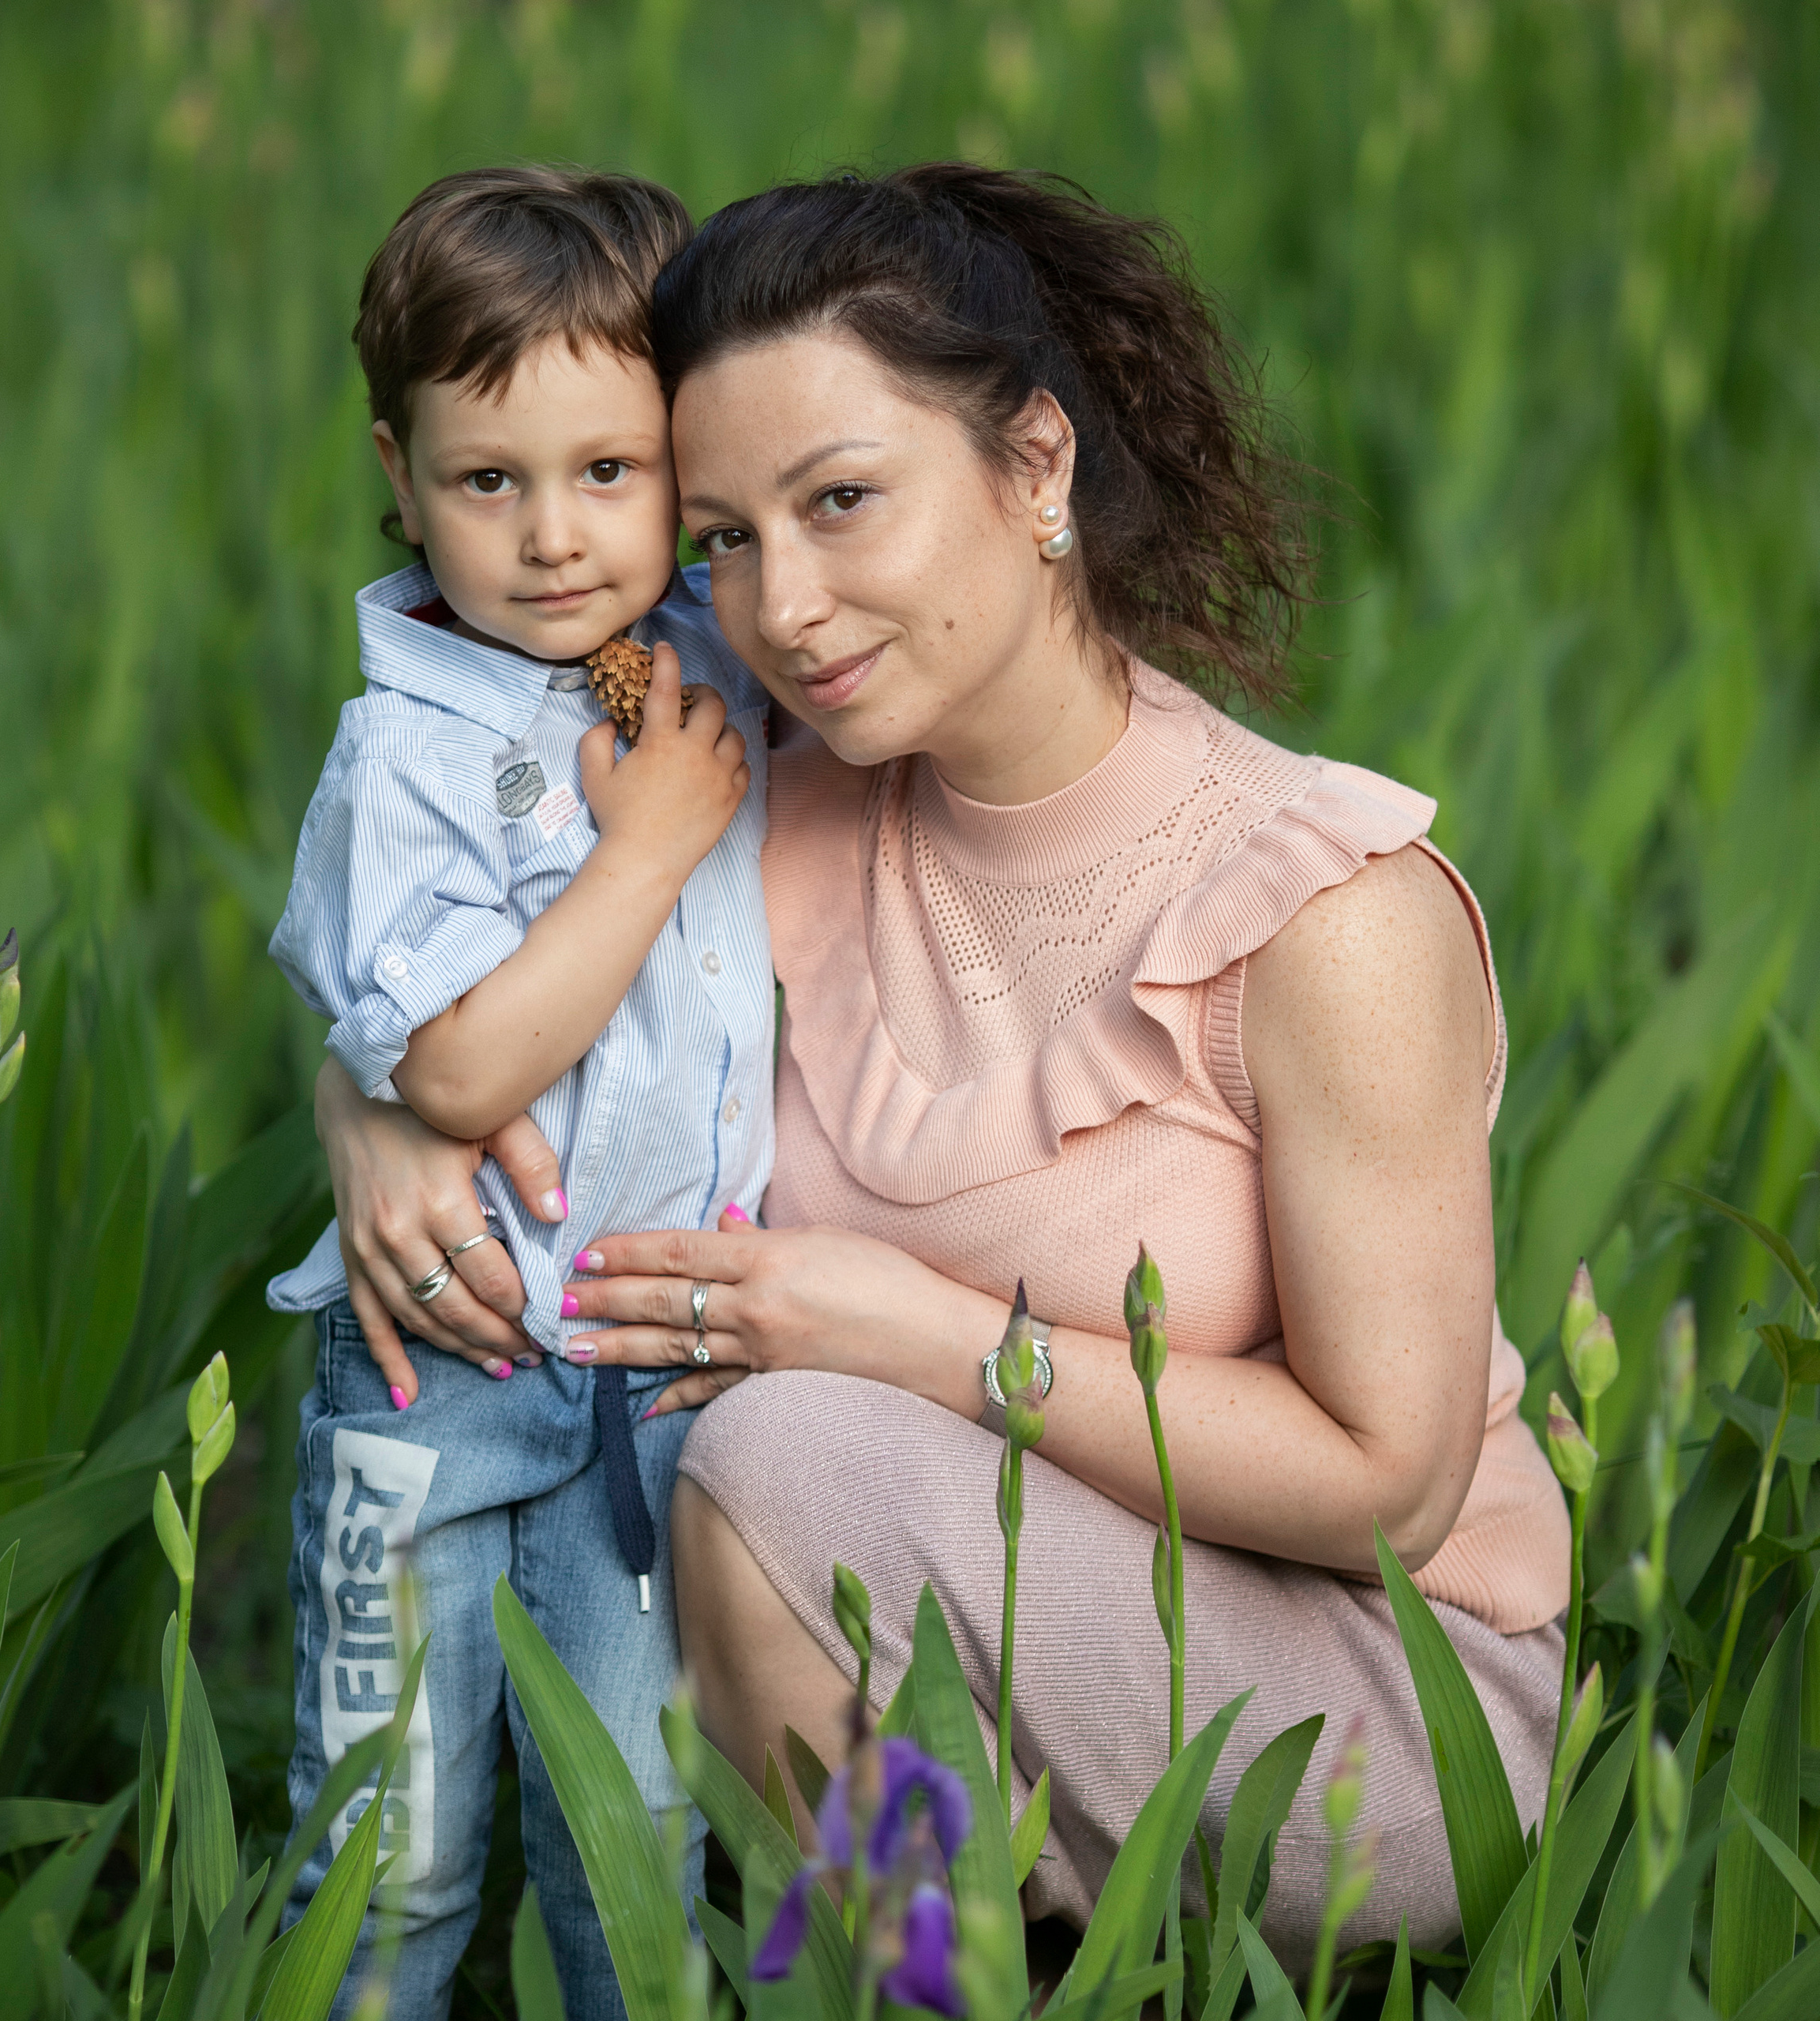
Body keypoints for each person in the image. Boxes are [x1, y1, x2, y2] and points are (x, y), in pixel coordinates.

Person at [316, 163, 1571, 1966]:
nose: (782, 604)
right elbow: (465, 944)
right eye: (724, 535)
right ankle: (961, 1966)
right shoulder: (751, 792)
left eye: (842, 502)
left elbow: (1393, 1484)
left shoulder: (1323, 915)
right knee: (733, 1437)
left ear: (1034, 465)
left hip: (1364, 1687)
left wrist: (918, 1331)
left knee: (768, 1443)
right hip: (968, 1579)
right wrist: (369, 1108)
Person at [266, 167, 773, 2020]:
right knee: (388, 1837)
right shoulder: (401, 751)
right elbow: (458, 1063)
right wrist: (640, 851)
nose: (554, 536)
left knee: (631, 1825)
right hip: (444, 1361)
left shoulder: (722, 662)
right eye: (488, 479)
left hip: (653, 1363)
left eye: (608, 470)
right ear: (398, 476)